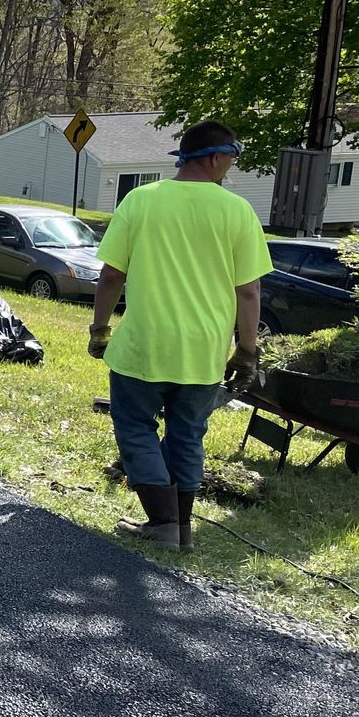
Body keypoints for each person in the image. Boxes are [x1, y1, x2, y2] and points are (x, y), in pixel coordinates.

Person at [88, 120, 273, 549]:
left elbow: (112, 274)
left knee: (135, 426)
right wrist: (247, 351)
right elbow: (249, 291)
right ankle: (182, 528)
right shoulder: (237, 211)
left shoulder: (140, 201)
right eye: (231, 158)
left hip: (144, 345)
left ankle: (164, 522)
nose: (231, 167)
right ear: (214, 158)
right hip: (204, 350)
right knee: (187, 434)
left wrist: (100, 329)